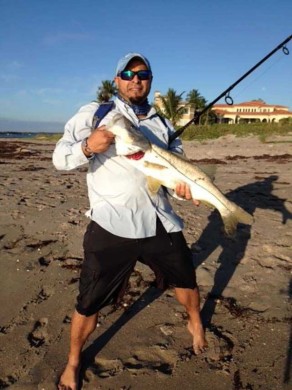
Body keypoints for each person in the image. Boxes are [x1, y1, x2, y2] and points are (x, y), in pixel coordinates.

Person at [53, 52, 207, 390]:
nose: (135, 79)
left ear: (150, 81)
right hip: (112, 224)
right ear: (117, 79)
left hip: (159, 220)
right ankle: (74, 361)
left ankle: (195, 320)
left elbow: (174, 176)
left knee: (186, 279)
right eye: (128, 73)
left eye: (143, 74)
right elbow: (60, 158)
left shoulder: (163, 125)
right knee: (89, 300)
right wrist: (88, 147)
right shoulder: (95, 113)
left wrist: (184, 192)